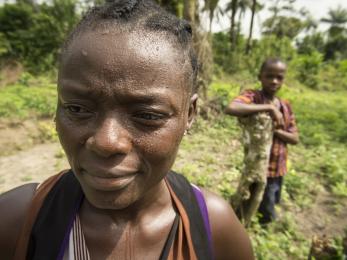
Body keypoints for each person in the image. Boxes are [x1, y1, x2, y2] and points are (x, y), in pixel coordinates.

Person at [0, 0, 254, 259]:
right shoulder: (15, 220)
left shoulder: (215, 229)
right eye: (77, 109)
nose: (106, 142)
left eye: (147, 115)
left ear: (189, 114)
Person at [224, 58, 299, 224]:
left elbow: (294, 138)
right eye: (269, 76)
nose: (274, 81)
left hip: (278, 167)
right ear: (260, 76)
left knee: (270, 199)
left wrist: (276, 131)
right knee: (257, 202)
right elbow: (232, 108)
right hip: (258, 167)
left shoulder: (285, 107)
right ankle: (254, 226)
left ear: (283, 80)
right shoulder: (254, 97)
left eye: (279, 77)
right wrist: (269, 108)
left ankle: (257, 223)